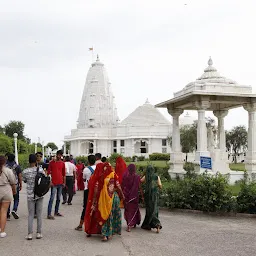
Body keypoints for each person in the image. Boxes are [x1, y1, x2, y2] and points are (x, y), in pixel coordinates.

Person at [84, 162, 125, 241]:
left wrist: (94, 201)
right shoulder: (113, 174)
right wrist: (122, 195)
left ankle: (104, 234)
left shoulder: (100, 176)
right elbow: (118, 186)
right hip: (112, 198)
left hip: (102, 199)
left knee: (103, 215)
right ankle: (110, 232)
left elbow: (95, 189)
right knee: (110, 215)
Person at [22, 154, 45, 240]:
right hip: (39, 194)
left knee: (31, 215)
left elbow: (24, 180)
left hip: (30, 195)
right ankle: (39, 233)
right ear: (36, 161)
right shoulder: (40, 170)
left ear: (29, 161)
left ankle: (30, 234)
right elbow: (44, 179)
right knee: (39, 214)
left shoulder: (25, 171)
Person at [75, 155, 96, 231]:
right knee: (96, 207)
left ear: (88, 161)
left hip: (88, 190)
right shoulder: (98, 168)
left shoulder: (86, 169)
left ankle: (80, 225)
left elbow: (83, 179)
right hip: (96, 190)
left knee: (86, 207)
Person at [141, 165, 162, 233]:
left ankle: (148, 225)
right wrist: (157, 188)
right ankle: (157, 224)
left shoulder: (146, 176)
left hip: (148, 195)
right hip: (154, 195)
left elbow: (141, 181)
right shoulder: (156, 176)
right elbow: (160, 185)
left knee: (149, 210)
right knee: (154, 209)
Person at [0, 156, 16, 238]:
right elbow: (13, 182)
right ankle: (2, 231)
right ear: (4, 162)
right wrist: (14, 191)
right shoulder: (8, 170)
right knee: (3, 211)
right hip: (6, 191)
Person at [122, 164, 141, 232]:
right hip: (134, 197)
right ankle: (131, 224)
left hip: (126, 196)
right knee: (133, 210)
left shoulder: (125, 176)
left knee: (128, 211)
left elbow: (122, 185)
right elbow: (138, 186)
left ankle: (130, 224)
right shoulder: (137, 176)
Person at [47, 150, 66, 219]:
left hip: (60, 183)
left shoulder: (62, 163)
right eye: (58, 155)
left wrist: (64, 182)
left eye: (60, 155)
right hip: (54, 183)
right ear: (56, 154)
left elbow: (64, 174)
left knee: (58, 198)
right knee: (52, 198)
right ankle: (49, 213)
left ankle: (56, 211)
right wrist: (50, 181)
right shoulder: (51, 163)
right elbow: (48, 173)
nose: (59, 156)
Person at [6, 153, 22, 220]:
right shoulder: (17, 166)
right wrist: (20, 184)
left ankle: (7, 215)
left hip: (7, 185)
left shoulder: (5, 166)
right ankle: (14, 210)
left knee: (8, 199)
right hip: (15, 185)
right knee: (16, 198)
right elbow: (19, 176)